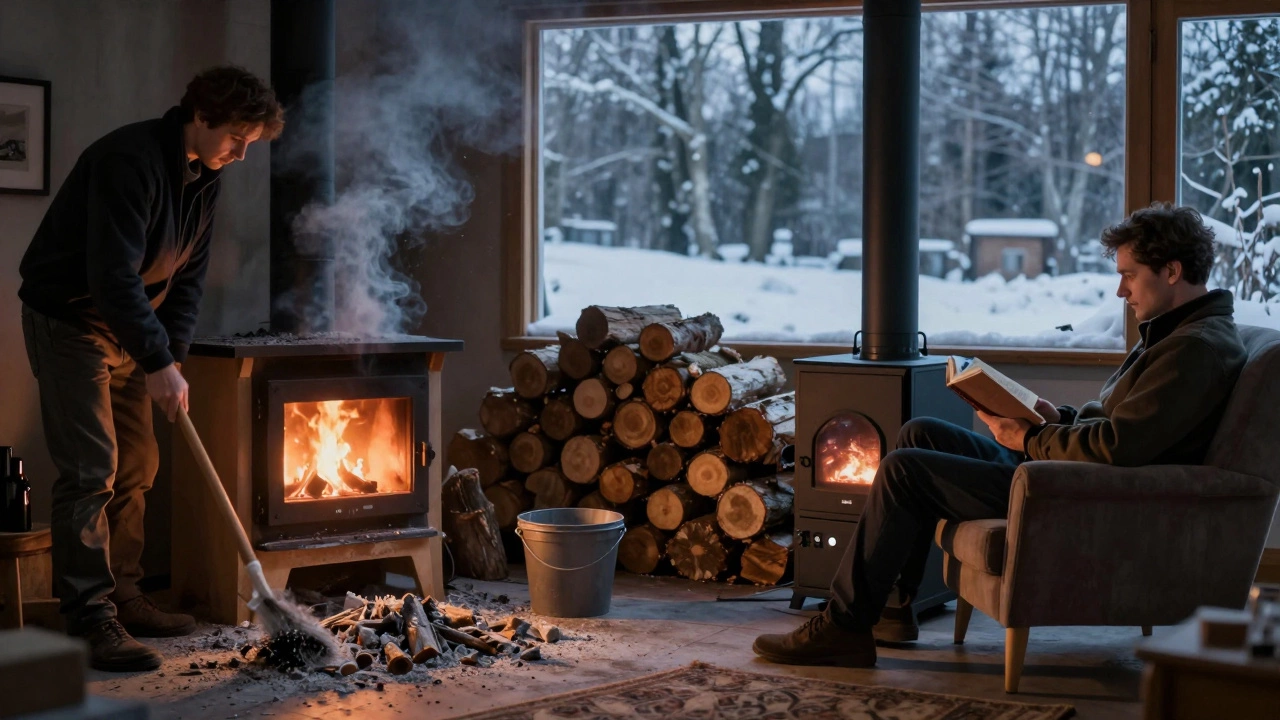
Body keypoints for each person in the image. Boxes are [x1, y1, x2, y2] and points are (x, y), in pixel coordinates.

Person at [753, 202, 1247, 667]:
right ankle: (892, 611)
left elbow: (1122, 447)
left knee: (904, 470)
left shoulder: (1194, 349)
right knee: (919, 433)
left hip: (1078, 493)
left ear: (1173, 271)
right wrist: (1058, 417)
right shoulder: (1176, 332)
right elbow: (1124, 423)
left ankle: (842, 625)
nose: (1122, 291)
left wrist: (1029, 439)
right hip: (1069, 474)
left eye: (1129, 275)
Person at [19, 66, 283, 672]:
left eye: (251, 143)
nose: (242, 154)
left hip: (133, 330)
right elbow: (110, 276)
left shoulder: (205, 177)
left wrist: (172, 362)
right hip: (73, 322)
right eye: (238, 138)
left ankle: (127, 596)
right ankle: (89, 617)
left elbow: (187, 282)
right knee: (92, 470)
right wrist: (157, 358)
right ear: (204, 115)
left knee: (138, 465)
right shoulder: (127, 160)